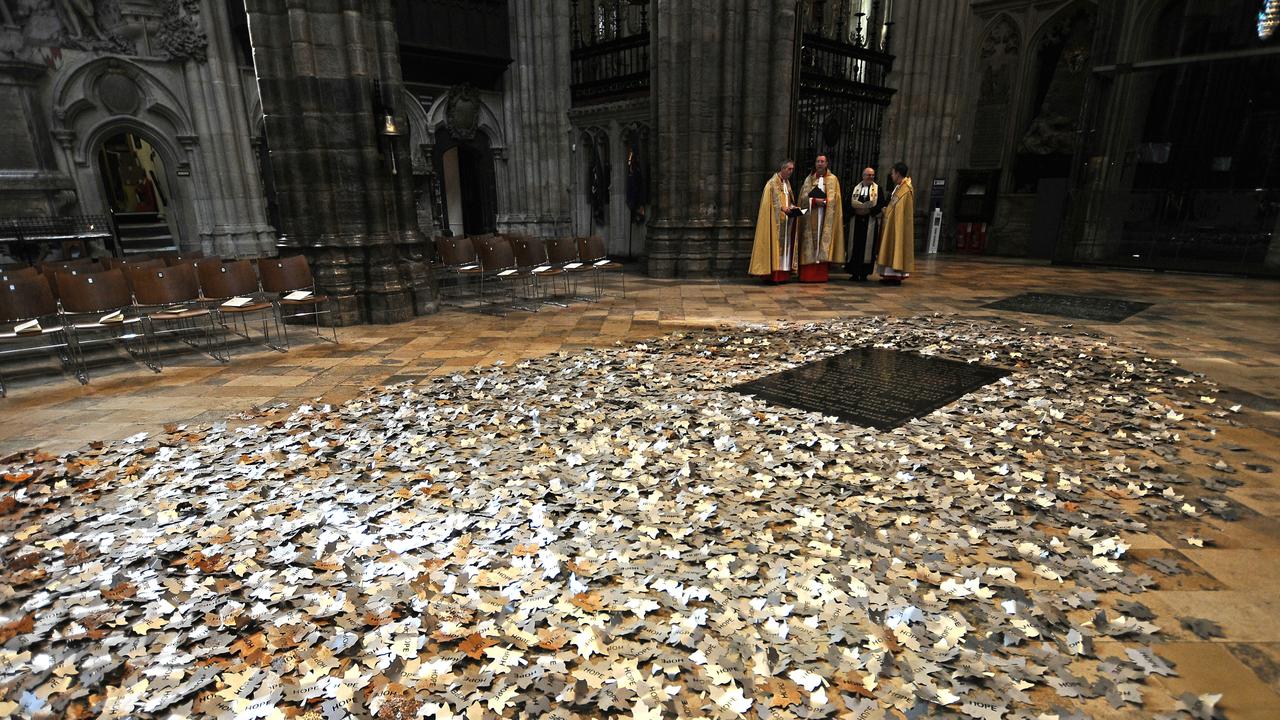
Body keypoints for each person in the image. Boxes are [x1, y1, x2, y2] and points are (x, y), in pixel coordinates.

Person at [748, 159, 801, 283]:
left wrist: (793, 207)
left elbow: (789, 199)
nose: (791, 171)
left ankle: (783, 275)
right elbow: (770, 204)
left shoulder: (787, 183)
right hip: (775, 222)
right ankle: (773, 276)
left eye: (792, 169)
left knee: (785, 249)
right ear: (782, 169)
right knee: (775, 248)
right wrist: (782, 208)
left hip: (786, 221)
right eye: (789, 169)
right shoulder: (771, 184)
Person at [797, 155, 844, 283]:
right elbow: (802, 199)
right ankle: (808, 274)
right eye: (818, 161)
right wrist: (813, 200)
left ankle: (821, 275)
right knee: (810, 244)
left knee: (822, 244)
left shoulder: (833, 180)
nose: (820, 164)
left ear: (827, 163)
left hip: (825, 216)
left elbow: (837, 199)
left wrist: (826, 201)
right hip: (811, 217)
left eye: (822, 161)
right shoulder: (809, 180)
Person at [876, 161, 915, 285]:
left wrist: (887, 211)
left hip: (897, 226)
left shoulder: (906, 189)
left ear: (898, 174)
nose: (891, 176)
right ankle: (888, 275)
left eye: (892, 173)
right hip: (891, 224)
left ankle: (894, 276)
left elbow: (900, 211)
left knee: (896, 246)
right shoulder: (898, 187)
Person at [844, 167, 883, 281]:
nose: (870, 177)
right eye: (868, 175)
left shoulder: (878, 189)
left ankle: (864, 273)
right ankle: (854, 273)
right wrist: (855, 211)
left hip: (869, 221)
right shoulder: (854, 188)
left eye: (872, 175)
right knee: (855, 246)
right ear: (863, 176)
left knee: (867, 248)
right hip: (856, 222)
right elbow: (847, 204)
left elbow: (881, 203)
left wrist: (869, 211)